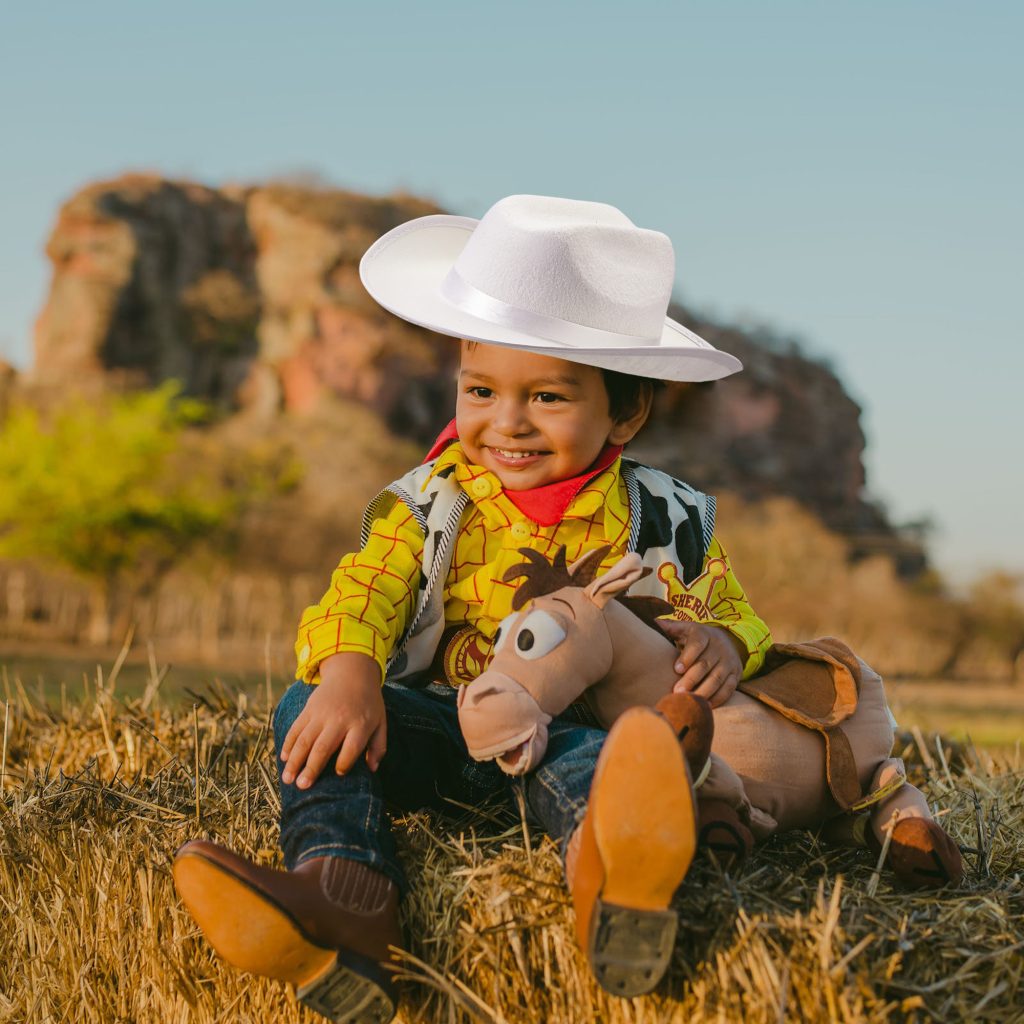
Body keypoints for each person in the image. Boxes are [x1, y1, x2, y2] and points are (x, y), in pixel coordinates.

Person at [172, 194, 777, 1022]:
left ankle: (616, 875)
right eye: (482, 388)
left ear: (625, 411)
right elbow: (367, 587)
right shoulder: (430, 499)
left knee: (618, 761)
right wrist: (349, 674)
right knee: (304, 706)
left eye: (550, 399)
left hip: (567, 737)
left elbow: (734, 612)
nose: (506, 422)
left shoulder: (661, 513)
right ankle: (344, 891)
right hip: (442, 728)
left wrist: (725, 643)